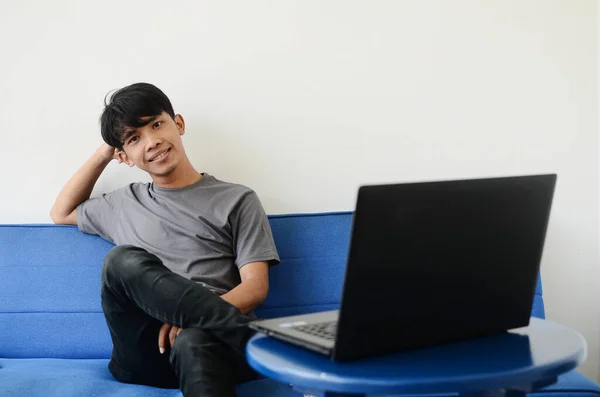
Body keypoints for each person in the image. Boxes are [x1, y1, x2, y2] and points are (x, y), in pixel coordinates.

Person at [50, 82, 280, 397]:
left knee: (192, 339)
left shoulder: (237, 199)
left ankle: (218, 332)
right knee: (120, 261)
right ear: (124, 156)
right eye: (134, 138)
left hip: (212, 344)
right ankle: (277, 351)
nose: (152, 141)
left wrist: (194, 321)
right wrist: (105, 149)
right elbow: (61, 212)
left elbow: (255, 287)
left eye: (157, 124)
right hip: (144, 351)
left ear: (179, 124)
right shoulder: (123, 203)